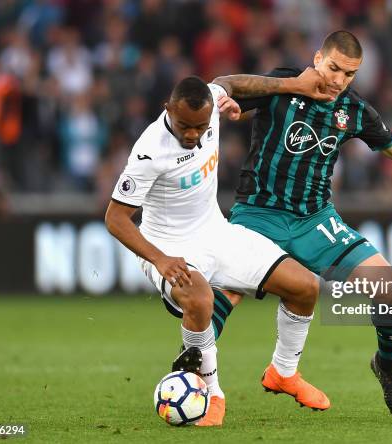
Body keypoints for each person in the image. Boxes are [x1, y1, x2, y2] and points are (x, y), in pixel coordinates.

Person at [213, 30, 392, 418]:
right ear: (317, 58)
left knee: (388, 287)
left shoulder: (353, 111)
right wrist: (286, 85)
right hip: (257, 215)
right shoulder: (280, 84)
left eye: (349, 74)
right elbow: (223, 87)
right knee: (226, 293)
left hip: (315, 219)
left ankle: (385, 363)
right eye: (333, 68)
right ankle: (195, 372)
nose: (338, 80)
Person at [104, 73, 333, 426]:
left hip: (217, 232)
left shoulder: (211, 103)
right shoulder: (149, 150)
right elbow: (115, 218)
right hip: (169, 247)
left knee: (306, 287)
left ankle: (284, 372)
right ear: (168, 109)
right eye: (184, 126)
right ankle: (212, 395)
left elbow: (229, 81)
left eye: (200, 125)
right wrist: (161, 260)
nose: (193, 134)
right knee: (199, 300)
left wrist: (294, 85)